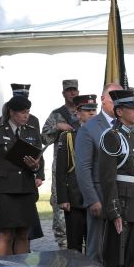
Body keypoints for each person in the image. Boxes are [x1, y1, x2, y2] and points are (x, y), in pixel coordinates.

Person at [0, 95, 44, 256]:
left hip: (26, 188)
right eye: (23, 112)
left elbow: (39, 160)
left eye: (28, 112)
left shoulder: (32, 132)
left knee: (23, 234)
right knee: (6, 234)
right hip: (6, 190)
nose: (26, 115)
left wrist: (36, 167)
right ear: (12, 112)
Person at [99, 89, 134, 267]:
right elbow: (108, 178)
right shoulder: (111, 136)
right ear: (119, 111)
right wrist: (114, 212)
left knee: (130, 256)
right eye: (131, 108)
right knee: (116, 258)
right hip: (121, 203)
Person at [75, 83, 122, 264]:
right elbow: (83, 167)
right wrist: (92, 199)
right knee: (96, 249)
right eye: (112, 97)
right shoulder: (89, 128)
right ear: (103, 99)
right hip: (100, 197)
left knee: (120, 249)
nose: (116, 102)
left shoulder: (130, 125)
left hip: (124, 196)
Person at [55, 94, 97, 252]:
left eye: (94, 109)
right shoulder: (68, 137)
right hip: (75, 198)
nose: (91, 113)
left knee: (95, 245)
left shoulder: (103, 135)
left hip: (96, 197)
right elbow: (61, 170)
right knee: (75, 245)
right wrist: (63, 198)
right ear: (78, 113)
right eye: (87, 110)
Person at [42, 79, 80, 250]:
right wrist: (57, 127)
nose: (72, 93)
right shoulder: (56, 114)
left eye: (74, 90)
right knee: (60, 205)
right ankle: (63, 244)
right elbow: (44, 138)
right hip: (62, 168)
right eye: (69, 90)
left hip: (80, 167)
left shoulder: (84, 112)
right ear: (63, 93)